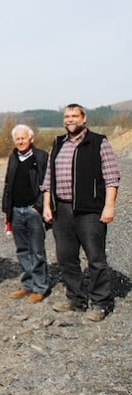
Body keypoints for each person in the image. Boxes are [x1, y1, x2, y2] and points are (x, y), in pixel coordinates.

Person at [41, 103, 120, 322]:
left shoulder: (98, 142)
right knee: (66, 258)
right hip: (62, 210)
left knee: (95, 258)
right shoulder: (57, 144)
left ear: (83, 118)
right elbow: (48, 179)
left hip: (90, 211)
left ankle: (101, 303)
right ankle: (76, 300)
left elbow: (112, 177)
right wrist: (47, 205)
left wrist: (109, 205)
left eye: (74, 115)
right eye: (67, 116)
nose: (70, 119)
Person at [2, 124, 49, 303]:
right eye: (17, 139)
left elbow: (47, 184)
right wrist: (7, 210)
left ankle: (40, 287)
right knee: (22, 250)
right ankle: (27, 285)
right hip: (15, 211)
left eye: (23, 138)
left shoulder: (41, 157)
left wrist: (38, 208)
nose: (20, 141)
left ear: (31, 139)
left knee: (37, 250)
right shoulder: (13, 157)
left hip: (33, 210)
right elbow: (8, 184)